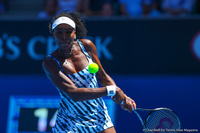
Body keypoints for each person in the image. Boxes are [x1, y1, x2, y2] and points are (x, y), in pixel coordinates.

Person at [42, 10, 136, 132]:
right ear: (53, 34)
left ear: (74, 33)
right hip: (69, 124)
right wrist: (112, 90)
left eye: (68, 32)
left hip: (99, 116)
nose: (64, 36)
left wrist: (123, 97)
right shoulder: (50, 63)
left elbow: (102, 76)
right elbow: (74, 94)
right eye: (59, 32)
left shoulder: (87, 46)